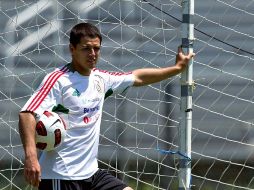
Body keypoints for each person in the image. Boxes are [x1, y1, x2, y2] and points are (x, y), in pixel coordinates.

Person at [19, 22, 195, 190]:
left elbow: (137, 77)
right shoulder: (58, 80)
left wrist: (177, 69)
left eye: (96, 48)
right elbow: (27, 113)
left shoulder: (101, 79)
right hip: (61, 176)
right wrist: (31, 156)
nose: (93, 53)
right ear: (72, 49)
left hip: (92, 174)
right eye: (86, 48)